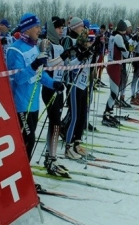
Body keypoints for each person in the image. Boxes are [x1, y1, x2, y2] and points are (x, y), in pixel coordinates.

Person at [6, 13, 64, 162]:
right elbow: (18, 79)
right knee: (28, 140)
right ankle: (20, 176)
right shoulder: (15, 50)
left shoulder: (34, 47)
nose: (40, 29)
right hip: (21, 105)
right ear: (27, 28)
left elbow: (40, 74)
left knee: (29, 142)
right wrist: (33, 65)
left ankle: (25, 175)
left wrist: (52, 83)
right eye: (37, 26)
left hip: (34, 104)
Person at [40, 16, 71, 177]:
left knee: (56, 123)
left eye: (62, 28)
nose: (61, 31)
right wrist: (64, 56)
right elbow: (47, 65)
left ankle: (50, 156)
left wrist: (80, 52)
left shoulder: (59, 44)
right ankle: (50, 158)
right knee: (55, 122)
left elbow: (64, 66)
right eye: (58, 28)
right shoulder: (46, 43)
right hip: (49, 88)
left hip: (59, 87)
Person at [60, 16, 93, 159]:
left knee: (82, 115)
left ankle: (77, 143)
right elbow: (68, 65)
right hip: (73, 83)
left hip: (83, 83)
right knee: (74, 116)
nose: (83, 29)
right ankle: (68, 146)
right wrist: (81, 56)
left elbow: (89, 63)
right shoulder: (69, 40)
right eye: (80, 27)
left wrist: (93, 51)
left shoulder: (84, 43)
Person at [102, 20, 129, 126]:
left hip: (114, 65)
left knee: (115, 92)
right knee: (114, 92)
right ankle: (106, 114)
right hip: (114, 66)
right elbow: (125, 52)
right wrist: (128, 49)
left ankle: (109, 112)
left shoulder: (114, 36)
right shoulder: (118, 37)